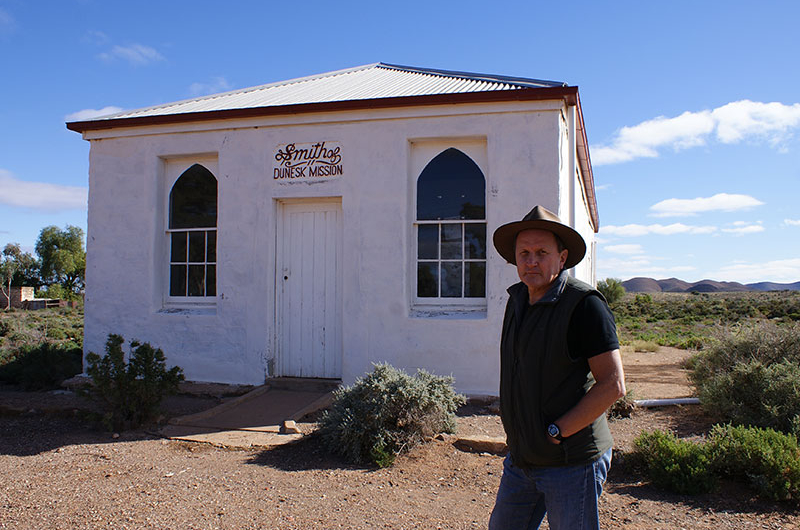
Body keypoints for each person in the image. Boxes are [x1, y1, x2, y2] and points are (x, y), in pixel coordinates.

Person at [488, 205, 626, 530]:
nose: (531, 261)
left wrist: (557, 431)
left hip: (571, 462)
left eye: (541, 252)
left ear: (562, 258)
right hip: (522, 460)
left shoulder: (584, 305)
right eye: (524, 253)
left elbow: (613, 384)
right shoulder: (518, 298)